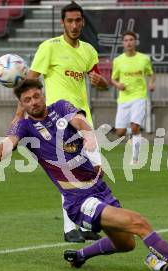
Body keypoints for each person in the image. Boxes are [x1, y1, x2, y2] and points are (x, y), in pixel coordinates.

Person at [0, 79, 168, 271]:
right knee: (139, 223)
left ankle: (80, 256)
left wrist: (88, 135)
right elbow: (8, 142)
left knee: (127, 244)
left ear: (43, 94)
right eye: (27, 99)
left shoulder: (60, 106)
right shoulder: (24, 125)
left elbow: (78, 120)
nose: (34, 102)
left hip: (99, 188)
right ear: (22, 104)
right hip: (79, 200)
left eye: (36, 96)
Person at [13, 2, 108, 242]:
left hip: (81, 118)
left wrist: (102, 83)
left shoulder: (89, 51)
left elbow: (99, 79)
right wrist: (19, 114)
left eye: (78, 21)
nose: (74, 25)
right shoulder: (49, 47)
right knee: (68, 175)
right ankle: (69, 228)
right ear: (62, 23)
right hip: (56, 120)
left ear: (83, 22)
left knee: (95, 172)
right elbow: (29, 82)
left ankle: (85, 224)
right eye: (70, 21)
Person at [111, 31, 155, 164]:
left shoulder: (144, 59)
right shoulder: (118, 60)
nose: (128, 42)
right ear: (123, 43)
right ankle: (132, 134)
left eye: (131, 40)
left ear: (135, 42)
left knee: (136, 127)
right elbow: (113, 79)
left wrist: (151, 83)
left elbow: (151, 74)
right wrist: (118, 85)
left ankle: (135, 158)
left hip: (139, 97)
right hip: (124, 99)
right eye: (126, 40)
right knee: (120, 132)